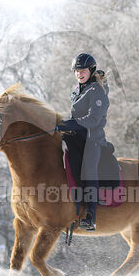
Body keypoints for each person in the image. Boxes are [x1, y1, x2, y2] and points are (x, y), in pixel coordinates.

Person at [55, 53, 110, 231]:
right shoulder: (77, 90)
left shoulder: (96, 91)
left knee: (88, 169)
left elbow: (93, 119)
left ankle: (91, 215)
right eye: (77, 71)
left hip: (92, 140)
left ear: (91, 70)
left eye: (83, 70)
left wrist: (71, 124)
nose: (79, 74)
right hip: (76, 138)